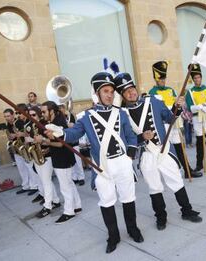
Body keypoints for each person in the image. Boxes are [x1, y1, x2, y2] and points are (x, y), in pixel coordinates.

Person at [45, 72, 143, 253]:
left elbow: (130, 136)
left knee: (128, 198)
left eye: (112, 91)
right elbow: (73, 134)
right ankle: (113, 235)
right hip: (102, 167)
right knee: (107, 202)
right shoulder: (86, 116)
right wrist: (59, 132)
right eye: (105, 91)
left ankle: (133, 229)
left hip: (122, 162)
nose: (110, 95)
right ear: (97, 93)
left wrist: (129, 157)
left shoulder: (121, 113)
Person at [117, 72, 203, 231]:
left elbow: (170, 119)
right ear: (122, 95)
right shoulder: (122, 115)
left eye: (132, 88)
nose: (131, 92)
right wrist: (141, 137)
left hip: (163, 151)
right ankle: (161, 217)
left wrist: (176, 107)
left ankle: (187, 210)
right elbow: (124, 141)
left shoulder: (153, 101)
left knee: (177, 181)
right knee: (154, 187)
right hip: (147, 155)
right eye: (126, 91)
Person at [148, 61, 202, 178]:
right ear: (156, 79)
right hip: (164, 124)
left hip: (175, 123)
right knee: (167, 150)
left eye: (164, 79)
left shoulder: (171, 90)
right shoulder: (152, 93)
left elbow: (177, 104)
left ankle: (188, 170)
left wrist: (179, 106)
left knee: (179, 147)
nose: (163, 81)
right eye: (161, 79)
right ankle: (171, 171)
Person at [41, 101, 82, 224]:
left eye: (44, 111)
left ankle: (69, 211)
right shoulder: (56, 121)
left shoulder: (57, 123)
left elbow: (60, 143)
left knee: (65, 186)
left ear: (51, 111)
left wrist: (45, 141)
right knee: (68, 183)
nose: (42, 114)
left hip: (62, 158)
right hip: (61, 156)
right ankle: (77, 205)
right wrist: (48, 146)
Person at [25, 106, 62, 215]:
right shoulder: (31, 125)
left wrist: (32, 140)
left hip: (47, 156)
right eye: (29, 115)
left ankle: (47, 206)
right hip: (37, 155)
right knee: (45, 181)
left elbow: (52, 140)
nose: (31, 117)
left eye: (34, 115)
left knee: (46, 182)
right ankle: (55, 201)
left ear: (39, 114)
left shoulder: (44, 125)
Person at [3, 108, 33, 194]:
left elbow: (28, 133)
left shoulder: (19, 122)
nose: (7, 118)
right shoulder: (7, 124)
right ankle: (25, 185)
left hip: (24, 146)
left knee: (29, 167)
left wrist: (17, 134)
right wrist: (10, 136)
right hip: (17, 147)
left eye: (8, 116)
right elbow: (10, 137)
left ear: (13, 115)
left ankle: (34, 186)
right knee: (21, 168)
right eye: (5, 116)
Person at [13, 103, 39, 195]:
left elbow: (31, 135)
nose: (17, 115)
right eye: (16, 113)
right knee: (29, 167)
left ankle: (35, 186)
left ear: (25, 112)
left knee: (32, 168)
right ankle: (32, 185)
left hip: (33, 147)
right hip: (27, 146)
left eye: (19, 113)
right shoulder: (22, 122)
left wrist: (22, 135)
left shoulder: (28, 122)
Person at [59, 105, 85, 185]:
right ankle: (74, 177)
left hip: (74, 142)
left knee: (78, 161)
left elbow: (74, 126)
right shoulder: (59, 119)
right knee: (72, 161)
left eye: (61, 108)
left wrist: (70, 124)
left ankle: (81, 177)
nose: (60, 110)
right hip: (67, 143)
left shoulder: (70, 116)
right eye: (59, 109)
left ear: (64, 109)